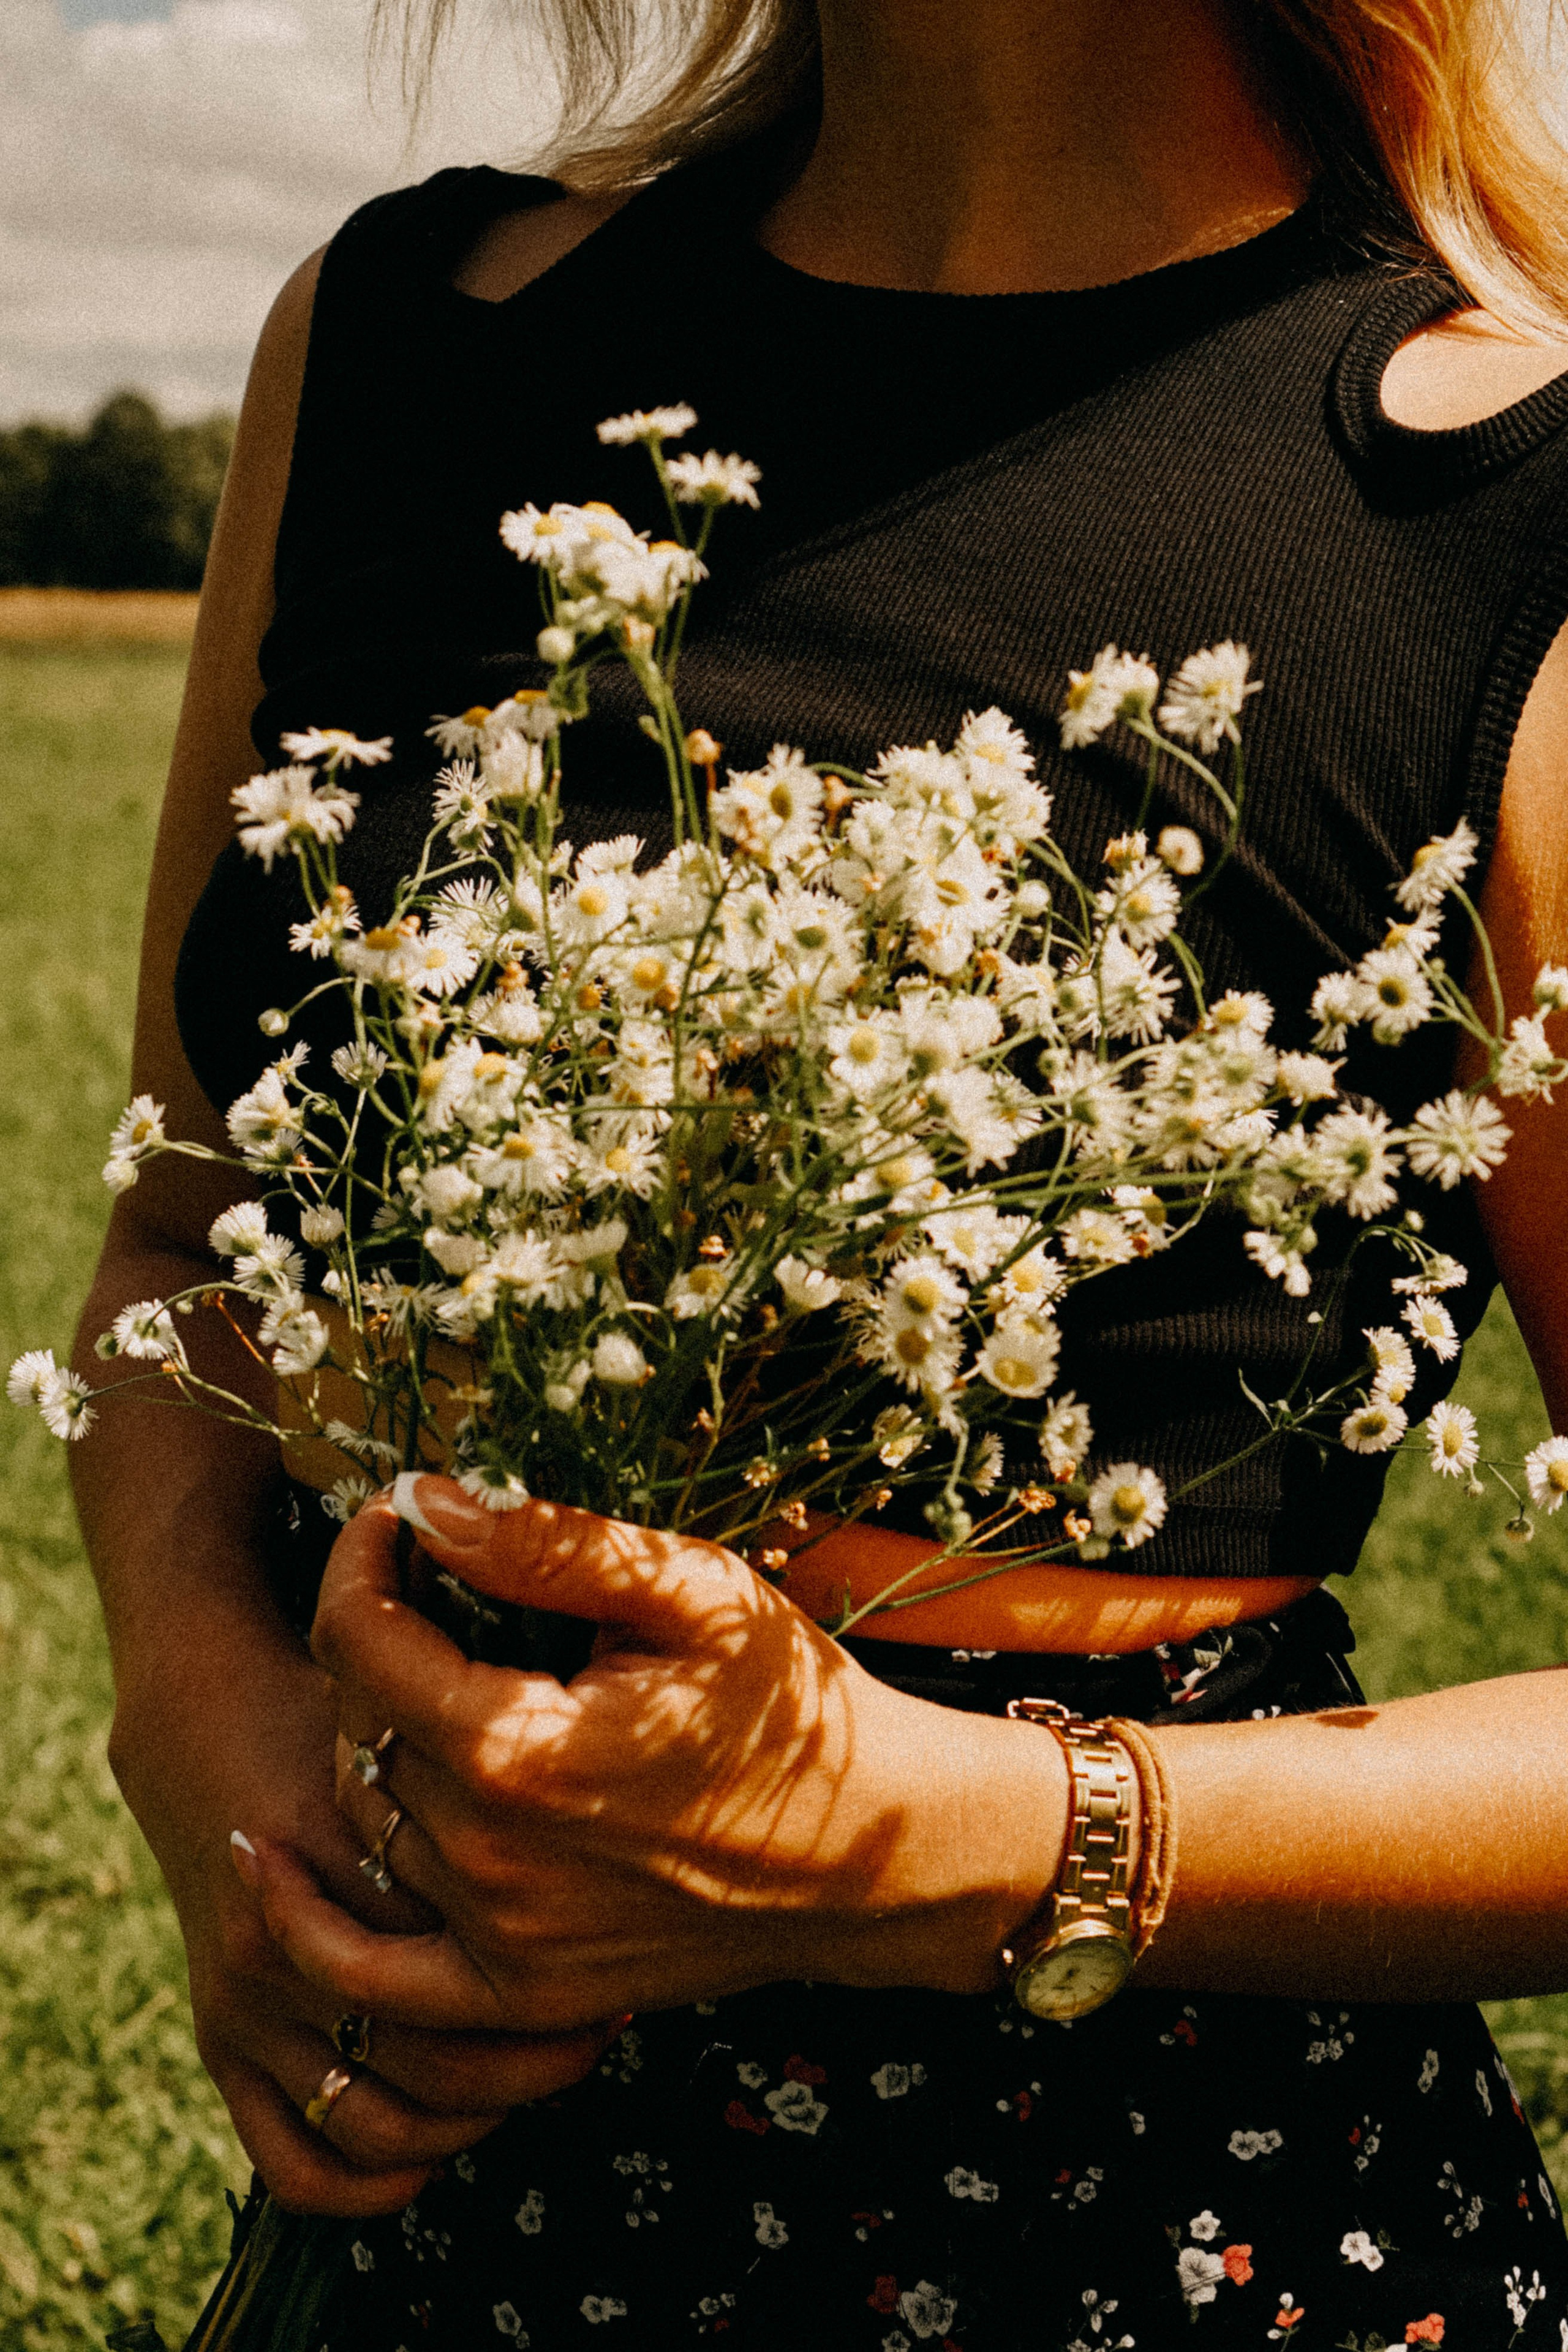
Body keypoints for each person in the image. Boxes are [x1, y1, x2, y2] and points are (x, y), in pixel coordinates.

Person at [75, 0, 1568, 2339]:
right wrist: (208, 1730)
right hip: (435, 2192)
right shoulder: (400, 338)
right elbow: (186, 1242)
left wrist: (930, 1837)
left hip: (1131, 2224)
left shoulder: (1502, 496)